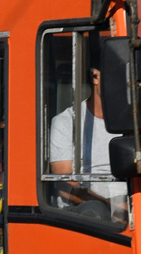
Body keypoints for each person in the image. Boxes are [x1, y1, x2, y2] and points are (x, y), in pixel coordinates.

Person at [48, 66, 126, 218]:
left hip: (131, 204)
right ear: (95, 77)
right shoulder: (66, 122)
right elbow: (64, 185)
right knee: (96, 210)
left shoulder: (132, 121)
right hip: (89, 212)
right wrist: (115, 208)